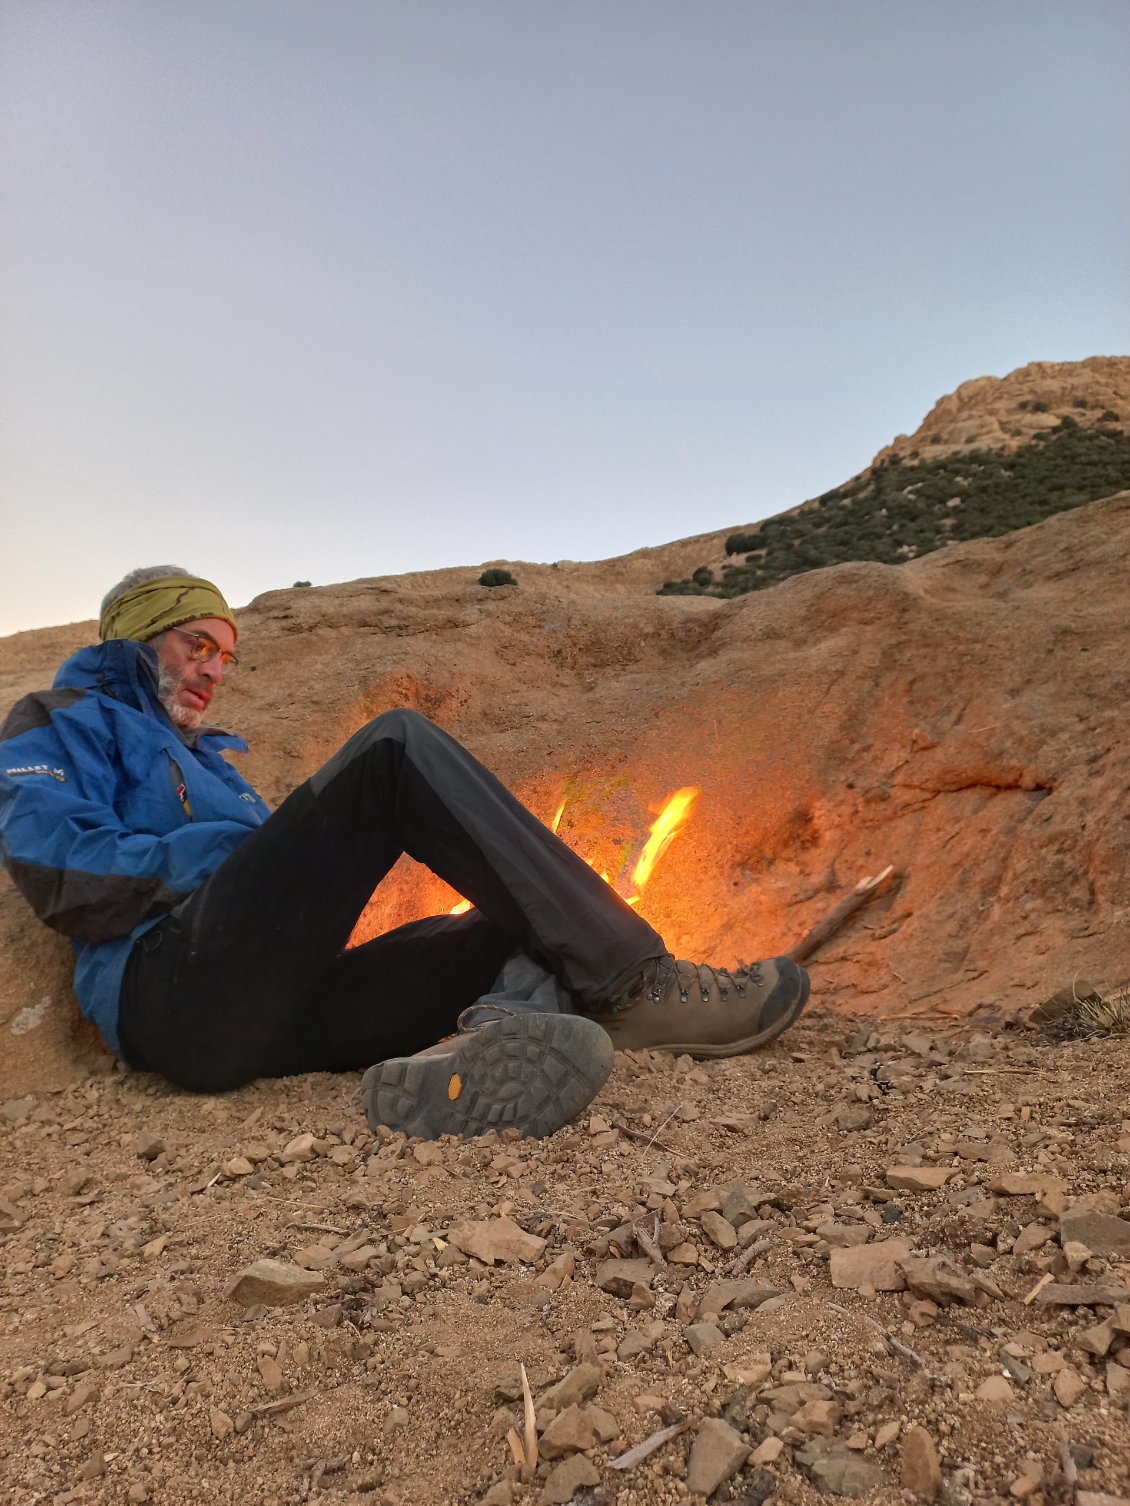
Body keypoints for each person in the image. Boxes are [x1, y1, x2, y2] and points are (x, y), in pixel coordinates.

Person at [0, 567, 810, 1140]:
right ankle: (639, 984)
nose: (215, 670)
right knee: (394, 748)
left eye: (226, 657)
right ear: (140, 634)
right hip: (172, 998)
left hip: (273, 1004)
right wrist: (217, 854)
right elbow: (58, 868)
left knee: (509, 922)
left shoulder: (215, 764)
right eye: (196, 645)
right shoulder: (58, 717)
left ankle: (477, 1053)